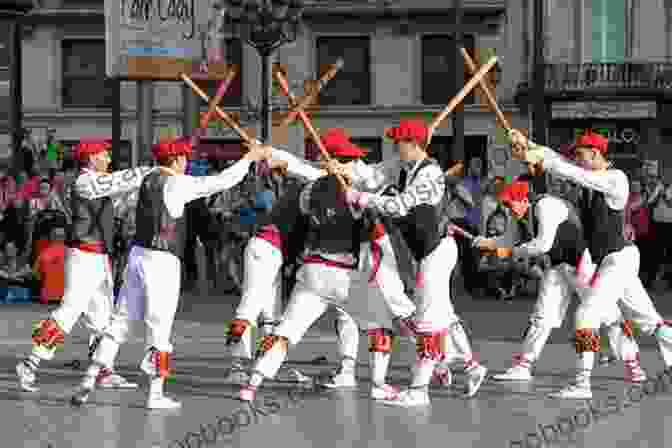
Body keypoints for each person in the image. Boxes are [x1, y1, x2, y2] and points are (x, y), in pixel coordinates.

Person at [71, 138, 276, 409]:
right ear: (178, 159)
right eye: (185, 158)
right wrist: (249, 158)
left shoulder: (146, 180)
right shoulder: (178, 183)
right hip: (163, 260)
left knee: (119, 322)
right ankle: (155, 394)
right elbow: (222, 181)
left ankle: (89, 378)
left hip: (137, 255)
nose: (187, 162)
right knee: (160, 327)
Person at [238, 129, 416, 404]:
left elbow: (304, 173)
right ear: (340, 160)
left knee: (286, 331)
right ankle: (378, 384)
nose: (356, 165)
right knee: (381, 325)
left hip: (310, 273)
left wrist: (273, 154)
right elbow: (374, 195)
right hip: (343, 274)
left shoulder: (309, 192)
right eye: (350, 160)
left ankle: (252, 384)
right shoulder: (356, 193)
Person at [508, 129, 672, 399]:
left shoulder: (615, 179)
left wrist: (545, 160)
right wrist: (525, 143)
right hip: (608, 260)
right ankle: (637, 360)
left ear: (595, 153)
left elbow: (573, 172)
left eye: (580, 154)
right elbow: (559, 160)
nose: (576, 158)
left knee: (586, 315)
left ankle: (582, 384)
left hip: (619, 259)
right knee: (649, 321)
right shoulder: (591, 174)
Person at [342, 119, 488, 406]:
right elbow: (369, 174)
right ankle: (472, 367)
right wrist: (342, 168)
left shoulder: (430, 175)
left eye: (399, 144)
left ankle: (419, 390)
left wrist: (360, 197)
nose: (395, 149)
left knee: (427, 321)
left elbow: (398, 206)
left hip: (436, 251)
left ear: (413, 144)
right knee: (443, 315)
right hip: (428, 252)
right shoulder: (403, 167)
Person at [476, 177, 646, 384]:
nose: (509, 210)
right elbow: (511, 240)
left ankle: (632, 363)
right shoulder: (523, 213)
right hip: (557, 266)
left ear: (523, 200)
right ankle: (524, 365)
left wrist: (508, 251)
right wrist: (489, 242)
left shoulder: (546, 206)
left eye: (510, 204)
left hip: (581, 264)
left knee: (607, 314)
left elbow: (542, 244)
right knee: (542, 316)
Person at [16, 138, 152, 393]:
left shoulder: (98, 184)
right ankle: (30, 362)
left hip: (99, 257)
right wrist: (145, 171)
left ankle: (103, 369)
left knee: (102, 317)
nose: (109, 159)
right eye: (105, 155)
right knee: (70, 309)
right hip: (82, 256)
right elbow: (114, 183)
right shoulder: (84, 180)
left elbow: (121, 203)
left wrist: (148, 183)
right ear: (92, 158)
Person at [33, 227, 67, 304]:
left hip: (48, 298)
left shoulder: (43, 253)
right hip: (64, 299)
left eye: (60, 236)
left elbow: (35, 274)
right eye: (58, 236)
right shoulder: (72, 253)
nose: (59, 238)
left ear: (51, 237)